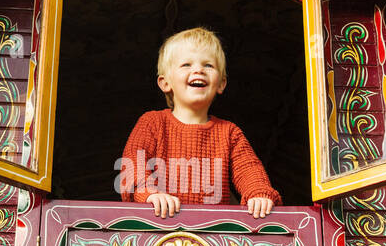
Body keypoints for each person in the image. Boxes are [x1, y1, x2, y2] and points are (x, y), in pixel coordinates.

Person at [117, 27, 280, 219]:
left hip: (213, 234)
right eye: (186, 64)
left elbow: (249, 170)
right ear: (165, 83)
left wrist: (258, 194)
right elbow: (133, 166)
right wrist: (149, 193)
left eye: (209, 65)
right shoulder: (152, 123)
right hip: (157, 228)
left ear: (221, 83)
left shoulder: (230, 133)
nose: (198, 70)